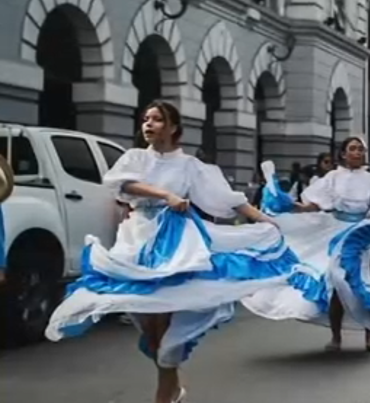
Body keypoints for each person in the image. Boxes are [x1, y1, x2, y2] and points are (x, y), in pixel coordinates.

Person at [45, 100, 293, 403]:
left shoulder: (190, 166)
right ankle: (172, 382)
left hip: (175, 241)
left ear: (173, 127)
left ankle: (163, 394)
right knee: (143, 318)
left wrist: (268, 221)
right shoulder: (135, 157)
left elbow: (229, 200)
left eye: (157, 120)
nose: (148, 124)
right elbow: (122, 185)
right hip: (135, 239)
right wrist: (165, 193)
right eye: (146, 119)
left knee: (163, 314)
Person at [241, 137, 370, 353]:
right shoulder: (333, 178)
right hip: (333, 230)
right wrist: (290, 206)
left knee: (357, 280)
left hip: (358, 235)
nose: (358, 153)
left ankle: (369, 334)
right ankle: (336, 337)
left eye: (361, 149)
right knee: (333, 280)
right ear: (343, 154)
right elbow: (313, 205)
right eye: (353, 149)